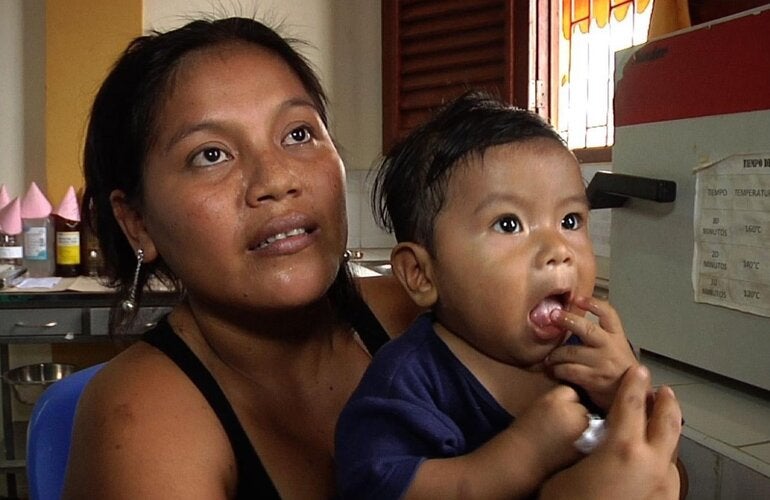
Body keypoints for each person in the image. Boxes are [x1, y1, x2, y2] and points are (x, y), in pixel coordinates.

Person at [62, 16, 681, 499]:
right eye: (210, 155)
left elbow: (631, 462)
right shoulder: (138, 422)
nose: (276, 179)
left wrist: (627, 403)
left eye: (299, 133)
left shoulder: (437, 315)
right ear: (137, 221)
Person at [335, 92, 648, 499]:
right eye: (508, 224)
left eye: (570, 220)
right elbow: (376, 488)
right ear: (421, 274)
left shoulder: (587, 357)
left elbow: (658, 465)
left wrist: (626, 391)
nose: (558, 249)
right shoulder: (409, 384)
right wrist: (524, 455)